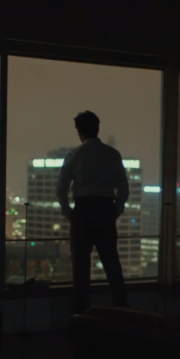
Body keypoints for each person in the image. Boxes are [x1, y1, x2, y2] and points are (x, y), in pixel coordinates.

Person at [57, 111, 129, 314]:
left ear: (79, 132)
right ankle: (123, 313)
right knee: (112, 266)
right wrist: (115, 210)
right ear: (97, 129)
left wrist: (69, 214)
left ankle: (81, 316)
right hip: (105, 211)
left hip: (83, 212)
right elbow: (123, 189)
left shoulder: (73, 155)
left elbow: (61, 190)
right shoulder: (112, 154)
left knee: (80, 269)